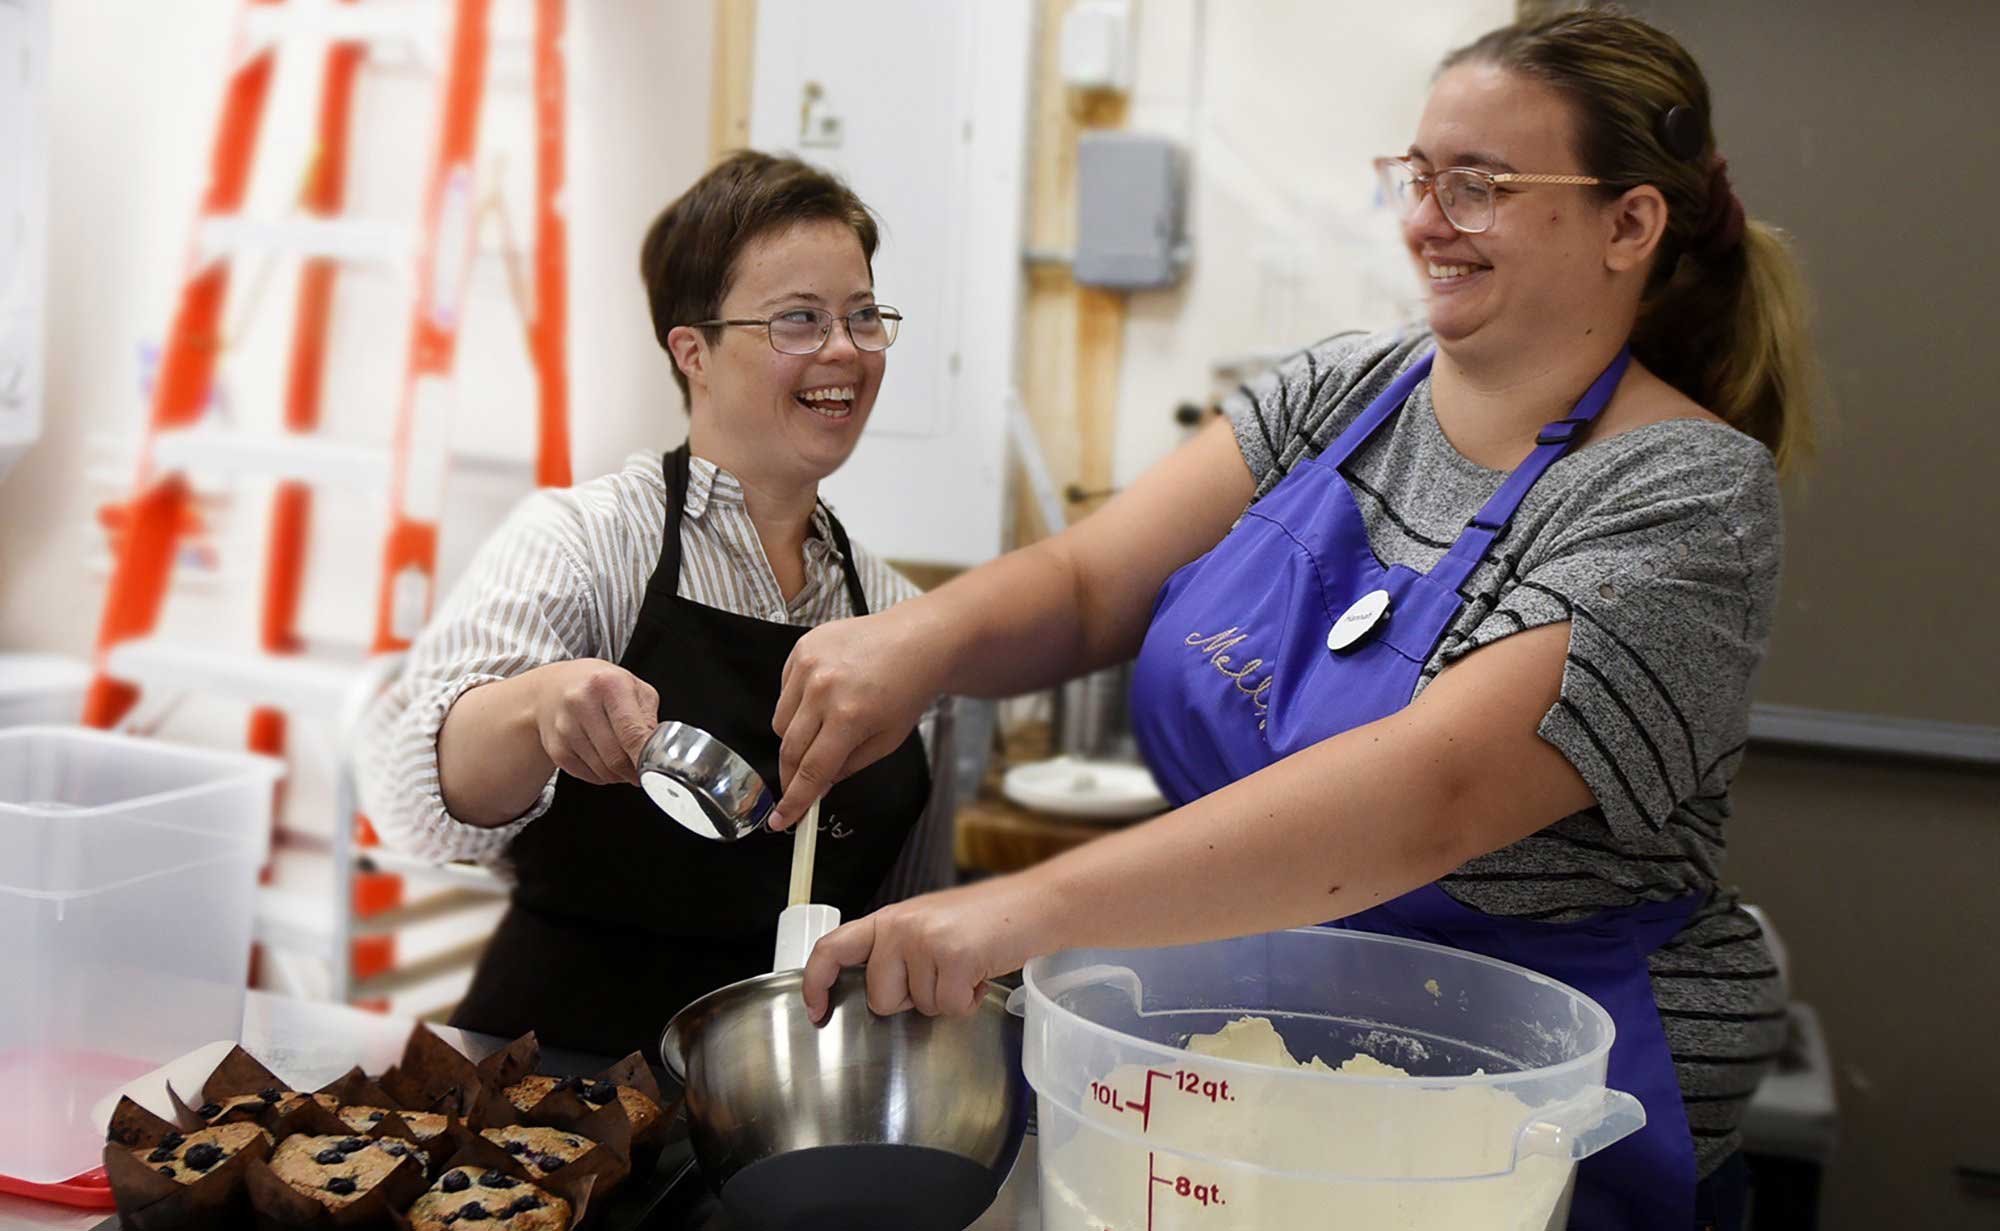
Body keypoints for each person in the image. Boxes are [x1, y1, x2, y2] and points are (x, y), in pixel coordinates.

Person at [767, 12, 1812, 1229]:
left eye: (1478, 185)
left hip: (1532, 1122)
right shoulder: (1345, 393)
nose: (1426, 219)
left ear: (1627, 224)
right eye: (1419, 177)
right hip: (1260, 1055)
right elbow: (1091, 583)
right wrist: (921, 645)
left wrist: (1017, 909)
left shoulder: (1683, 493)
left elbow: (1428, 791)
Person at [356, 151, 954, 1059]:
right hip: (550, 1082)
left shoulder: (897, 614)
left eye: (862, 316)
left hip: (781, 1100)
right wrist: (537, 708)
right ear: (693, 352)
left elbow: (912, 912)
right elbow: (409, 799)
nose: (844, 350)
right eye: (799, 319)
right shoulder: (587, 541)